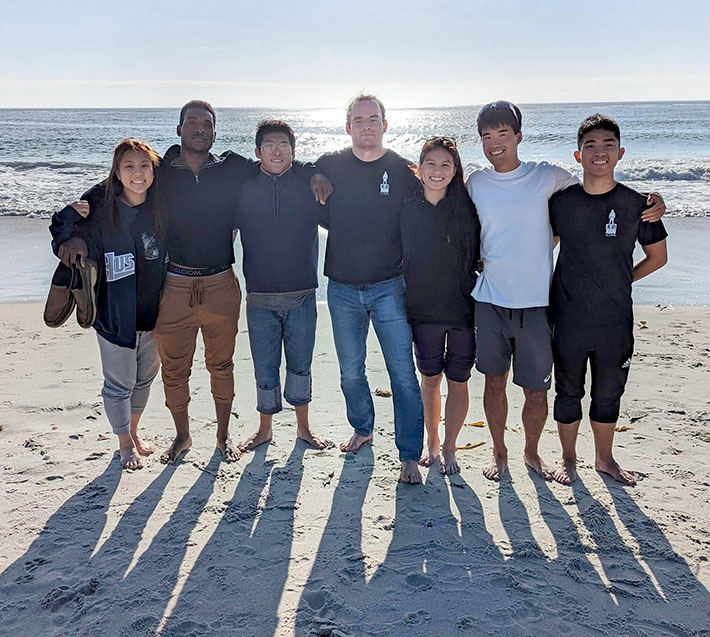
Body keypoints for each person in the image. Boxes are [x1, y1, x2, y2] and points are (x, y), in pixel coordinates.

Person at [59, 100, 331, 466]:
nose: (200, 128)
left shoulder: (232, 168)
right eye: (192, 122)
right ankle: (183, 436)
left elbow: (276, 161)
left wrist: (312, 171)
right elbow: (111, 190)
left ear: (215, 132)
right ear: (179, 129)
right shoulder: (162, 170)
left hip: (221, 282)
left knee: (222, 365)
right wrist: (66, 233)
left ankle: (222, 435)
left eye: (207, 123)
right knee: (174, 369)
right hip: (175, 283)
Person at [466, 100, 666, 482]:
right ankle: (499, 452)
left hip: (539, 304)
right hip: (489, 301)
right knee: (494, 382)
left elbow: (598, 195)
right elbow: (451, 207)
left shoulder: (549, 178)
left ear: (518, 137)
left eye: (503, 134)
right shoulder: (475, 182)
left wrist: (653, 200)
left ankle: (531, 453)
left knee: (536, 392)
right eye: (487, 136)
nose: (495, 143)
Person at [549, 114, 668, 485]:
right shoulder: (560, 203)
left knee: (608, 392)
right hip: (566, 316)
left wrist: (621, 280)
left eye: (607, 146)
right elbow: (537, 243)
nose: (599, 152)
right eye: (590, 146)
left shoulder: (639, 205)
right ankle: (568, 459)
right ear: (577, 154)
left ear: (620, 153)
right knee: (568, 391)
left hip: (615, 320)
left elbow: (658, 258)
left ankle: (604, 459)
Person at [316, 94, 425, 483]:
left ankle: (410, 454)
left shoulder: (401, 170)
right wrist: (313, 176)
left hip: (389, 286)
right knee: (349, 372)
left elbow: (432, 206)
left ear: (385, 124)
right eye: (358, 119)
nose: (366, 125)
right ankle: (363, 428)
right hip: (342, 288)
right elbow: (300, 170)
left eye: (373, 118)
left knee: (403, 374)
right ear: (347, 126)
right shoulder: (329, 165)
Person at [49, 139, 168, 470]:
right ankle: (124, 444)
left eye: (144, 166)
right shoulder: (99, 205)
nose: (137, 173)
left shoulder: (160, 208)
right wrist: (70, 222)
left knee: (144, 379)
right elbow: (60, 230)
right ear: (117, 172)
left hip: (154, 313)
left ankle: (134, 431)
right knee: (119, 383)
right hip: (113, 314)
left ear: (154, 171)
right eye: (128, 167)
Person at [234, 120, 330, 452]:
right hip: (259, 295)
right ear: (257, 151)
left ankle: (303, 427)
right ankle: (265, 430)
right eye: (270, 145)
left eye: (284, 145)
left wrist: (315, 172)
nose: (277, 151)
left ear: (294, 151)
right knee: (264, 367)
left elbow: (341, 220)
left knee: (301, 365)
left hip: (302, 293)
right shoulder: (243, 188)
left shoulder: (309, 186)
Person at [400, 137, 480, 474]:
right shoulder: (406, 208)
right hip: (422, 308)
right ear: (419, 169)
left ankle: (450, 447)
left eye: (446, 165)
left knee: (458, 380)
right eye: (431, 164)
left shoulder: (468, 208)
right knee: (430, 379)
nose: (438, 171)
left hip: (463, 308)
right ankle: (432, 441)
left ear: (455, 170)